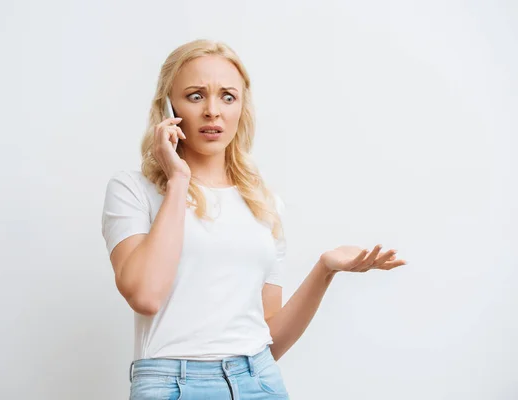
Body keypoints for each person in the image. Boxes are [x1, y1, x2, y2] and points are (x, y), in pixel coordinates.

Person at [101, 39, 407, 400]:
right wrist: (179, 180)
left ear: (241, 108)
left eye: (227, 97)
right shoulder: (133, 190)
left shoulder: (263, 203)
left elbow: (269, 339)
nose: (213, 111)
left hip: (258, 380)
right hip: (173, 385)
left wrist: (325, 269)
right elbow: (145, 295)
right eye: (196, 95)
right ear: (168, 106)